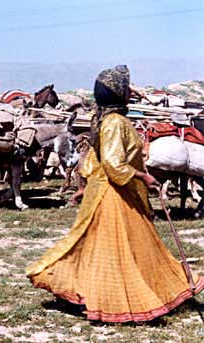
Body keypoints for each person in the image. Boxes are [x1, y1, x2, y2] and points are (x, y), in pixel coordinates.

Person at [26, 65, 204, 323]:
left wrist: (83, 187)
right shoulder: (115, 123)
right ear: (117, 93)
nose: (129, 91)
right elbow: (112, 163)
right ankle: (116, 299)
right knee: (117, 250)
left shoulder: (102, 119)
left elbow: (93, 158)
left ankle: (88, 291)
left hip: (103, 191)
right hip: (114, 195)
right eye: (125, 87)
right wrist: (144, 176)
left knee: (93, 244)